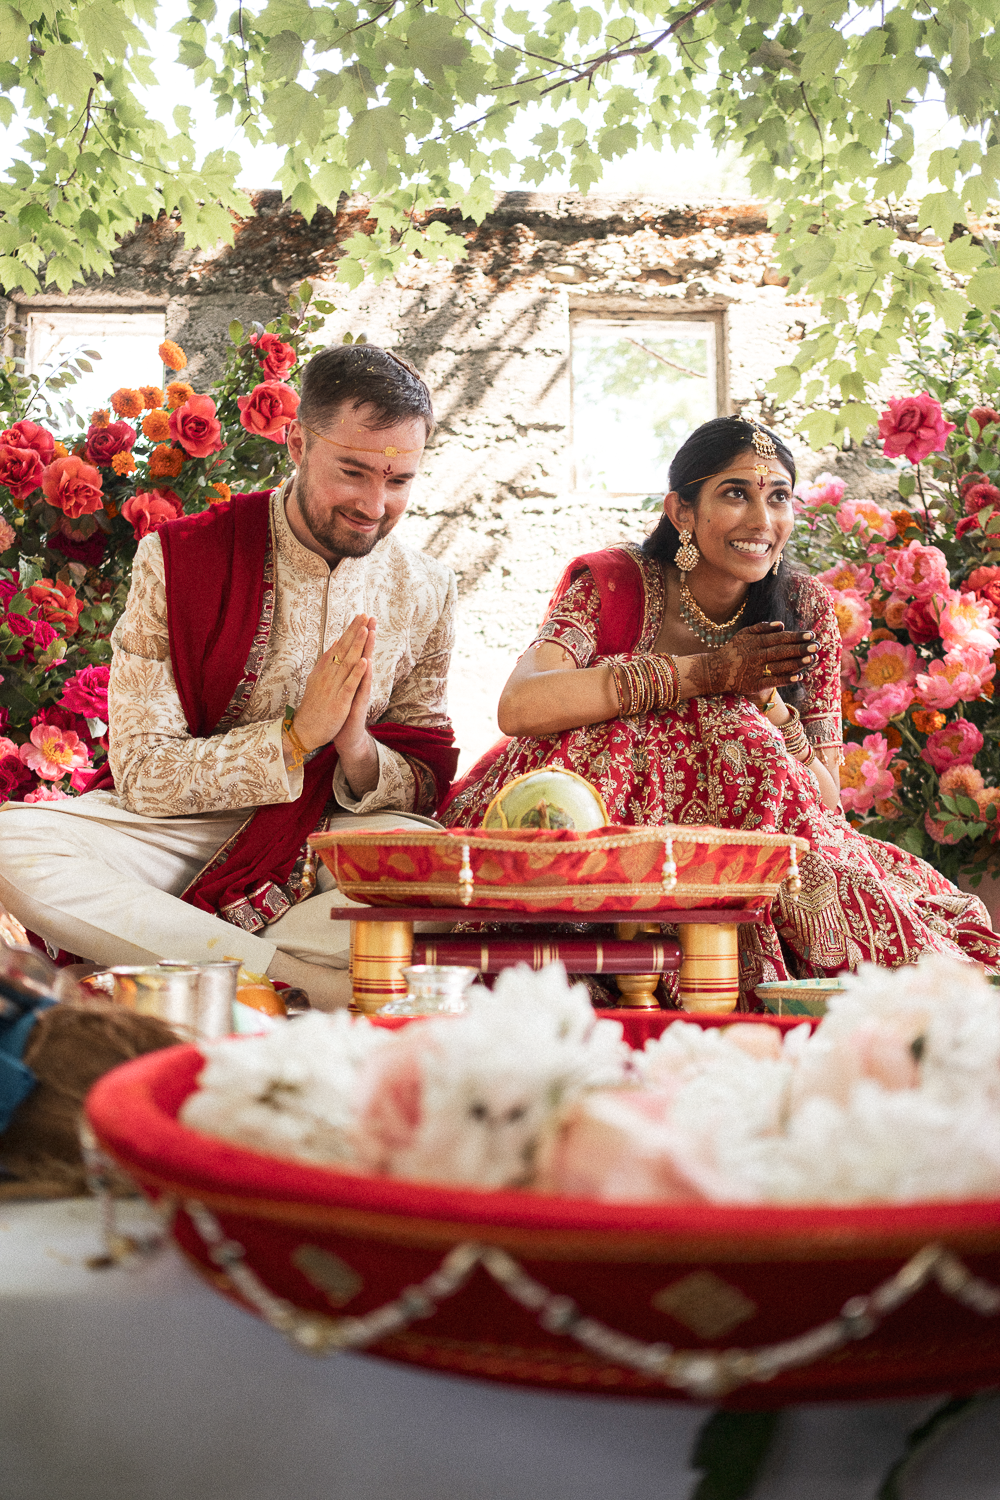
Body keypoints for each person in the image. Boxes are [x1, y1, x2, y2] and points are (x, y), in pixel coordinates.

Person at [443, 415, 1000, 1000]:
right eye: (736, 494)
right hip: (600, 836)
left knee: (742, 729)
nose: (762, 522)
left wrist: (772, 708)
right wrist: (702, 676)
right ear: (681, 512)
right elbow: (520, 704)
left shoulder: (803, 609)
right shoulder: (614, 583)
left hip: (762, 851)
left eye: (779, 497)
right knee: (708, 718)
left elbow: (827, 799)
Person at [0, 345, 459, 1010]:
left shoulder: (427, 590)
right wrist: (296, 739)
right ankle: (301, 978)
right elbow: (143, 772)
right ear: (299, 443)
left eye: (399, 482)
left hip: (327, 837)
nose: (374, 503)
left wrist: (356, 745)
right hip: (176, 833)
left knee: (447, 877)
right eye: (353, 472)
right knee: (13, 843)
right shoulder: (181, 557)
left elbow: (422, 783)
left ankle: (173, 949)